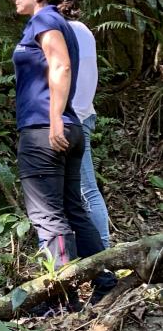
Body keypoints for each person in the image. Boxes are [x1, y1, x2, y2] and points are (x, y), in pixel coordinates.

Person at [10, 0, 115, 309]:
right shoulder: (61, 23)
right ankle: (105, 280)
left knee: (48, 215)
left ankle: (58, 295)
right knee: (73, 210)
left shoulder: (44, 19)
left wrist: (54, 118)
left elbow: (61, 66)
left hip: (46, 129)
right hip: (65, 127)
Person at [67, 17, 111, 248]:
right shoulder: (82, 29)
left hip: (74, 116)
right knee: (79, 191)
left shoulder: (66, 30)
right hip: (81, 113)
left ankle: (104, 254)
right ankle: (93, 254)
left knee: (86, 190)